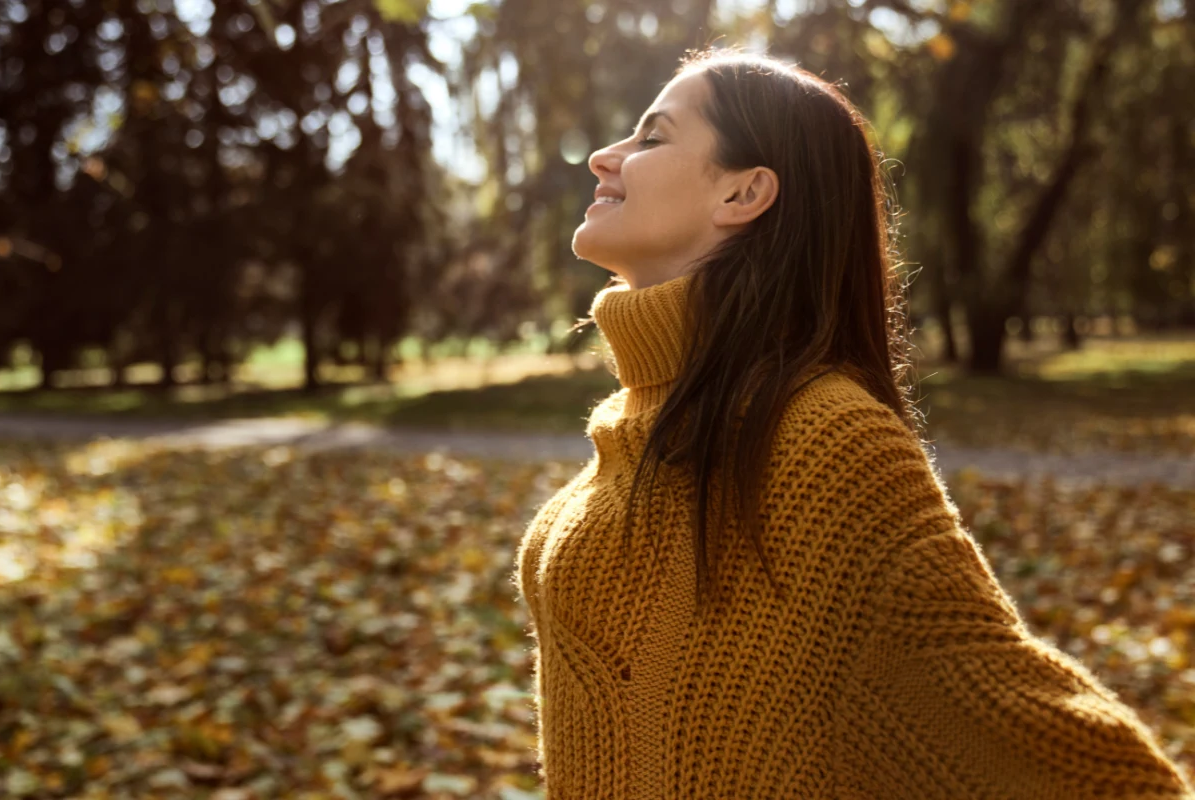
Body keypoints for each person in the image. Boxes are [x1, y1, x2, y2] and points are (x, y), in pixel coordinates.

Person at [511, 47, 1195, 799]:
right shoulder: (639, 423)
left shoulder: (826, 442)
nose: (605, 158)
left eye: (652, 137)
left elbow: (1044, 747)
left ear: (744, 192)